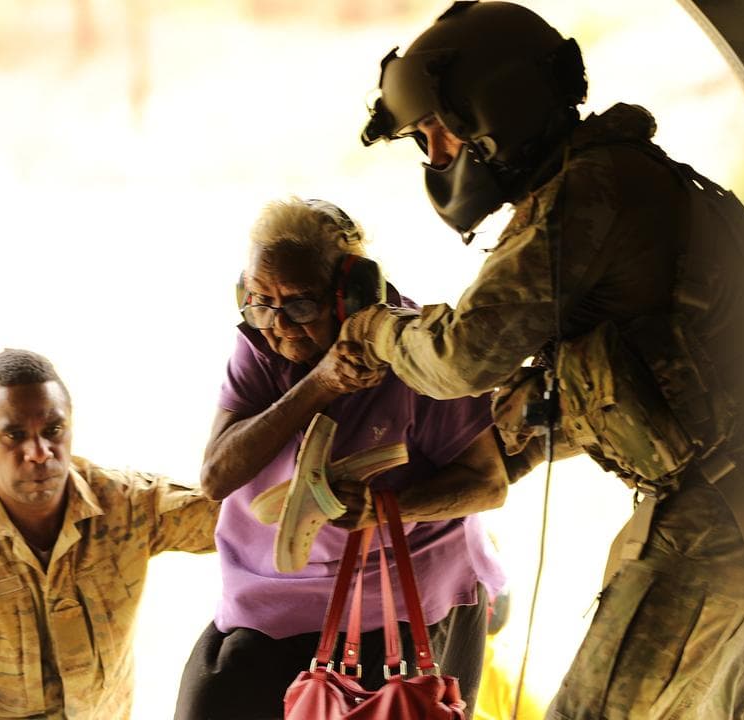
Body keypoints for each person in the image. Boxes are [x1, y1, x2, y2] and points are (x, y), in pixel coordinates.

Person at [347, 2, 744, 717]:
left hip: (718, 520)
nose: (434, 158)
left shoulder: (590, 192)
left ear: (488, 115)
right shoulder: (628, 176)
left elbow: (462, 358)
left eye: (434, 133)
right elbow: (626, 383)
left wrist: (374, 329)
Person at [173, 197, 507, 720]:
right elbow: (217, 475)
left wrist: (385, 508)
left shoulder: (418, 350)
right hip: (268, 595)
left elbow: (488, 484)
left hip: (397, 601)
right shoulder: (261, 341)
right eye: (260, 301)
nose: (279, 324)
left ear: (351, 295)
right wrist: (321, 382)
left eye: (300, 304)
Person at [0, 348, 219, 718]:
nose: (39, 452)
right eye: (14, 434)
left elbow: (249, 520)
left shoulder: (126, 505)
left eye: (53, 431)